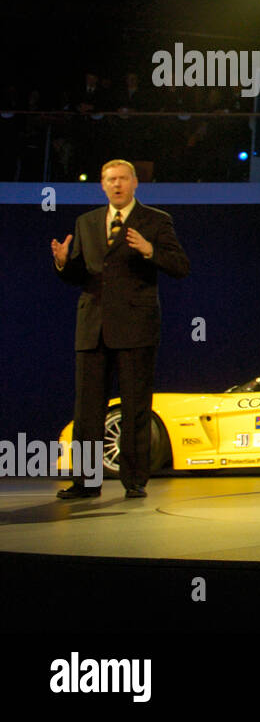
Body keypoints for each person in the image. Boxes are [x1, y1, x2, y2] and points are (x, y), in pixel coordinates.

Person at [50, 159, 190, 498]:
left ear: (134, 182)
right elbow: (80, 275)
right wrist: (63, 262)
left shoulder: (156, 221)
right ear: (102, 184)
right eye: (110, 180)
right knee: (87, 410)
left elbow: (180, 266)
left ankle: (135, 480)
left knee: (135, 406)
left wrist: (149, 250)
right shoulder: (87, 222)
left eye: (123, 179)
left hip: (135, 327)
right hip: (92, 327)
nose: (117, 185)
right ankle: (86, 481)